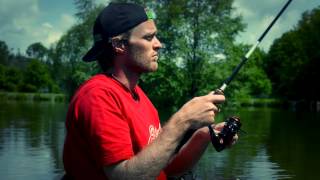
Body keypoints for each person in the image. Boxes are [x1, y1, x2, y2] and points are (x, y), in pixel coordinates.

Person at [63, 2, 237, 180]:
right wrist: (183, 120)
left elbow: (165, 170)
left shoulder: (141, 98)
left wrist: (203, 136)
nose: (159, 44)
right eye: (148, 38)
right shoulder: (98, 96)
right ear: (119, 45)